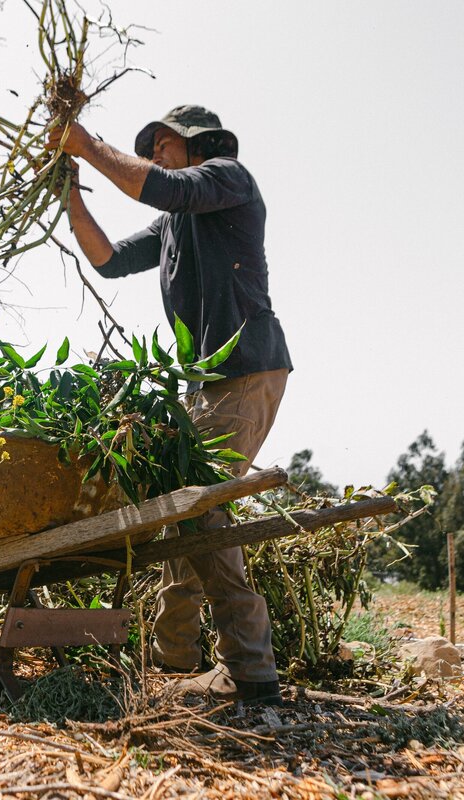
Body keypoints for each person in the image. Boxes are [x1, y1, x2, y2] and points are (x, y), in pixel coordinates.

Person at [50, 105, 292, 704]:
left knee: (201, 507)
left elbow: (156, 185)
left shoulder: (228, 177)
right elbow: (107, 261)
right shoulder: (173, 224)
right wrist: (70, 193)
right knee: (183, 506)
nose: (156, 155)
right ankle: (177, 659)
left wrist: (87, 144)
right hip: (204, 381)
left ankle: (254, 673)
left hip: (244, 368)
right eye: (152, 148)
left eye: (163, 145)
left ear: (196, 145)